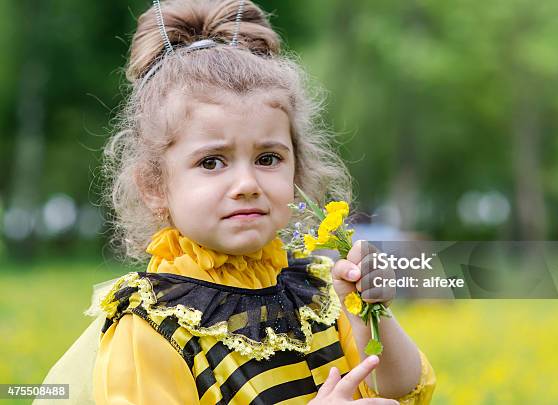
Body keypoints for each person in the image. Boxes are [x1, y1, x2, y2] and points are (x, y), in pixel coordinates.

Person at [43, 1, 437, 403]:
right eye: (211, 162)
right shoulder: (155, 325)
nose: (247, 184)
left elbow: (401, 390)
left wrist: (371, 315)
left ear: (296, 170)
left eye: (268, 159)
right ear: (154, 186)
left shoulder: (319, 287)